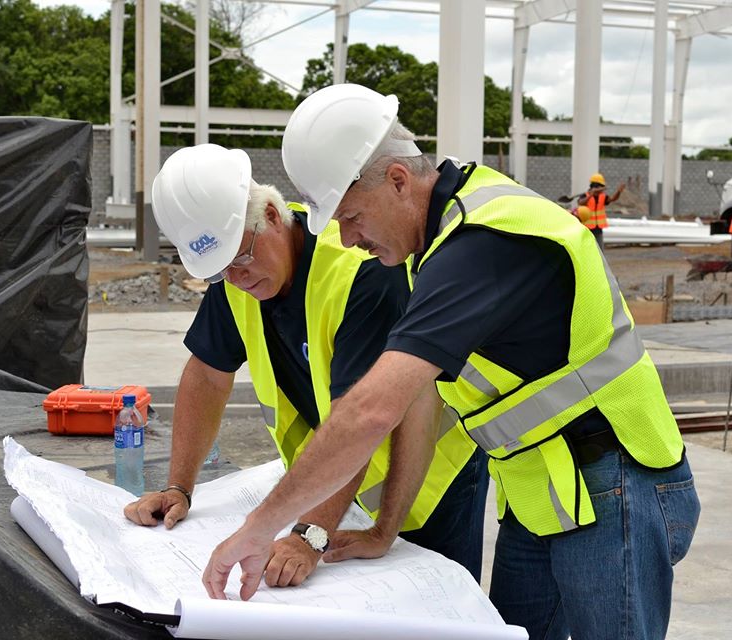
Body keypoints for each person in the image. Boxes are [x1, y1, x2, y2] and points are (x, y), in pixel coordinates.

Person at [203, 85, 701, 640]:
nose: (348, 238)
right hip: (544, 494)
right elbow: (421, 397)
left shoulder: (485, 242)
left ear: (397, 180)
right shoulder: (436, 246)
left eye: (351, 217)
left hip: (616, 486)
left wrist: (258, 528)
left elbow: (371, 410)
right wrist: (385, 528)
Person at [123, 143, 488, 587]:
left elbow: (363, 418)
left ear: (273, 216)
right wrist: (179, 486)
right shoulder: (237, 271)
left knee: (439, 608)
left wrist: (311, 535)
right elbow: (207, 373)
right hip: (337, 484)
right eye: (219, 271)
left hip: (427, 482)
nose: (235, 278)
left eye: (240, 258)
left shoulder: (362, 272)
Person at [577, 172, 625, 249]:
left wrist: (618, 192)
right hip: (587, 229)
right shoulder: (586, 195)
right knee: (587, 248)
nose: (601, 190)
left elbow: (612, 199)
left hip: (598, 229)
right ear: (595, 187)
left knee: (599, 249)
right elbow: (580, 203)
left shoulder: (603, 197)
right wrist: (591, 195)